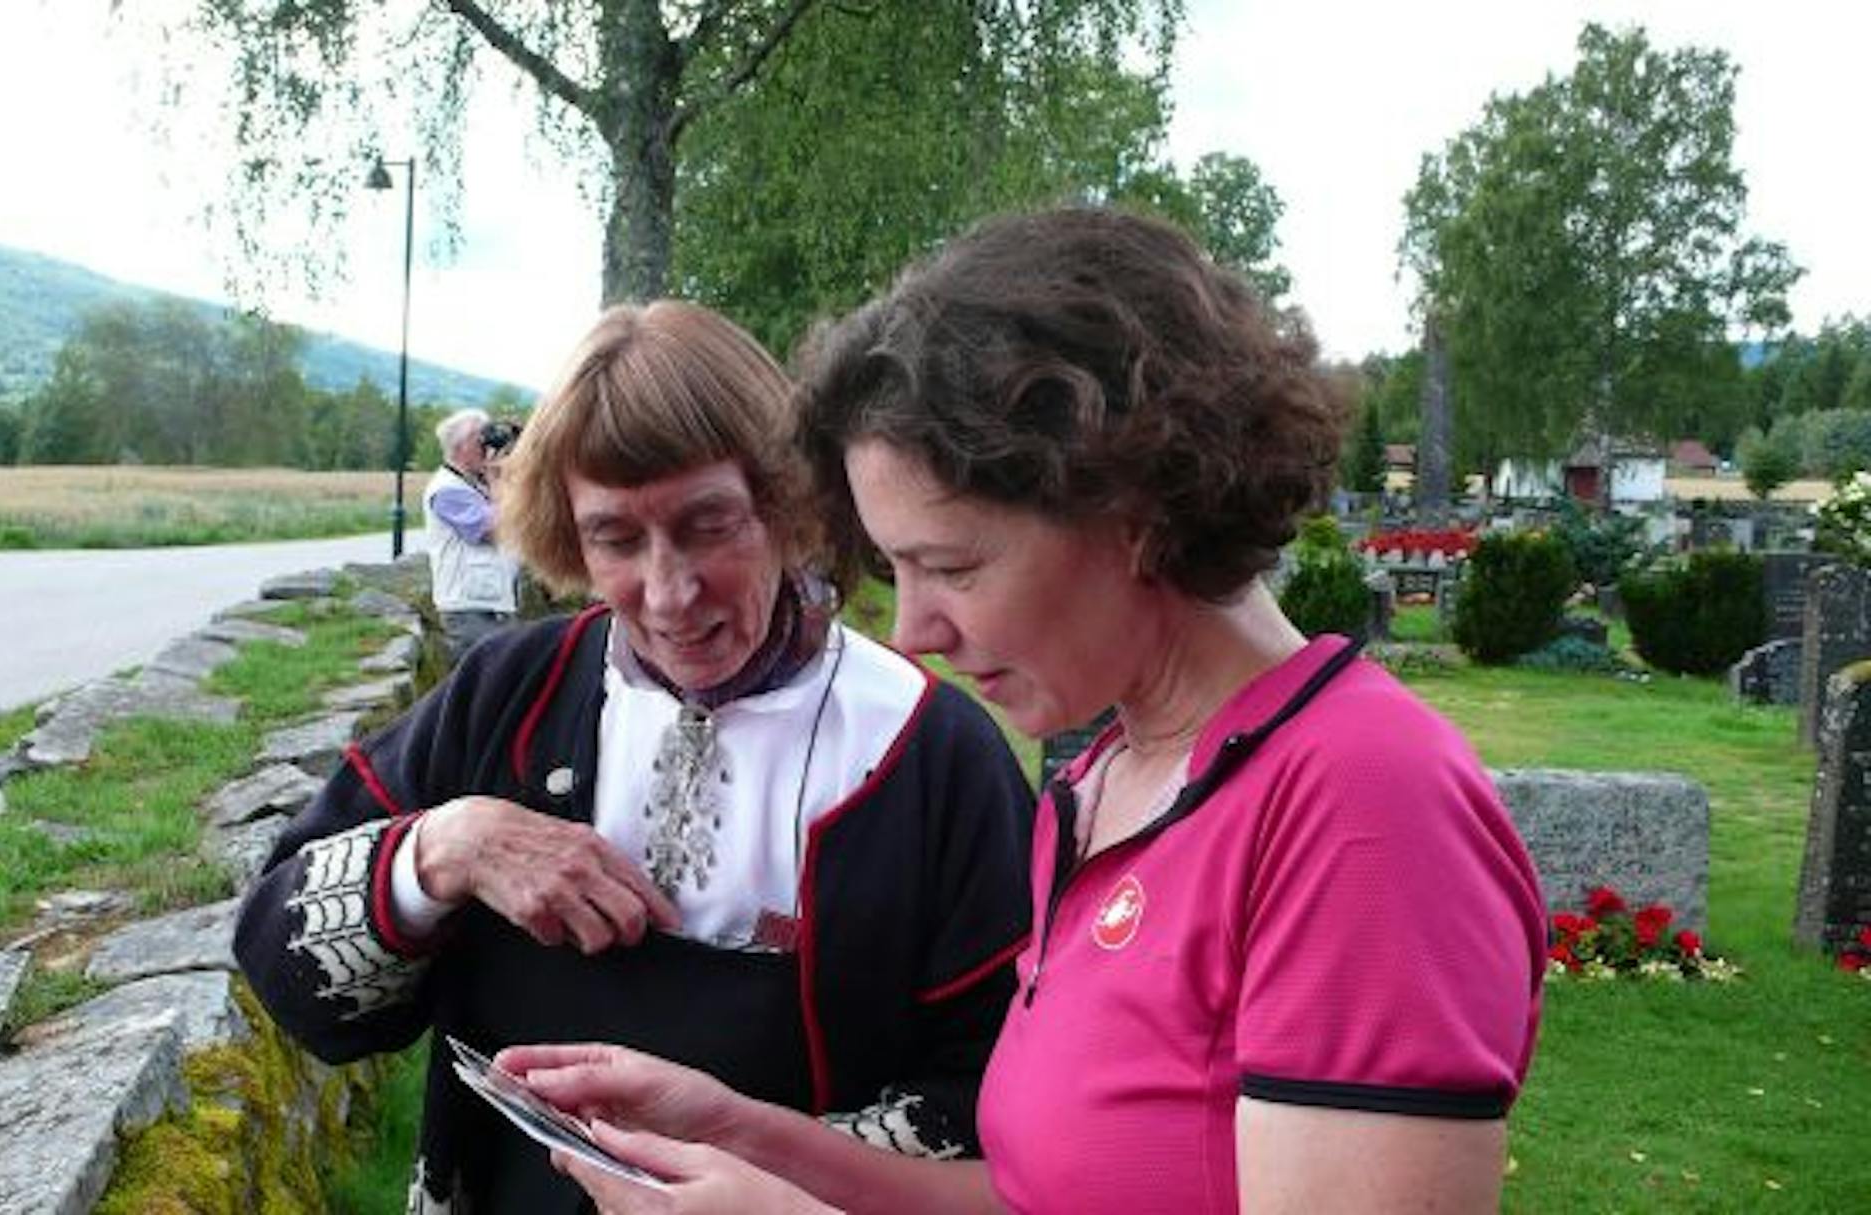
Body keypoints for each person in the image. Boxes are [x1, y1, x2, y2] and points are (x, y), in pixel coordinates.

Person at [501, 208, 1548, 1214]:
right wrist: (745, 1133)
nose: (914, 632)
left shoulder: (1360, 807)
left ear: (1131, 507)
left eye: (949, 566)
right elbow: (1037, 1194)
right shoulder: (1105, 789)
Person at [233, 301, 1035, 1214]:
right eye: (616, 537)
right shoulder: (511, 693)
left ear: (785, 502)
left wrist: (762, 1179)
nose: (668, 593)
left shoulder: (925, 753)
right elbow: (287, 972)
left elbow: (1005, 1096)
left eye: (708, 524)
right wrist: (444, 847)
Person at [424, 407, 525, 661]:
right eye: (480, 439)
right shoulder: (447, 491)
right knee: (485, 688)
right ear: (460, 447)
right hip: (469, 610)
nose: (486, 446)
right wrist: (496, 478)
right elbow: (493, 529)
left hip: (491, 604)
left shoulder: (474, 484)